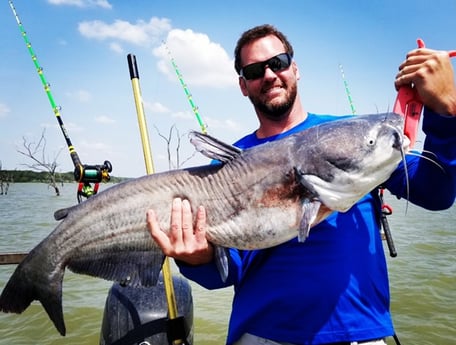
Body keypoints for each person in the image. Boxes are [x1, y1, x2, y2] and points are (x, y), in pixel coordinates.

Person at [147, 24, 456, 345]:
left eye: (277, 62)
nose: (269, 74)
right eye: (254, 70)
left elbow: (436, 192)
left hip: (359, 334)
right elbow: (228, 271)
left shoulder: (356, 140)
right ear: (243, 85)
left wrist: (445, 110)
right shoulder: (225, 171)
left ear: (295, 68)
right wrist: (197, 259)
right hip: (261, 335)